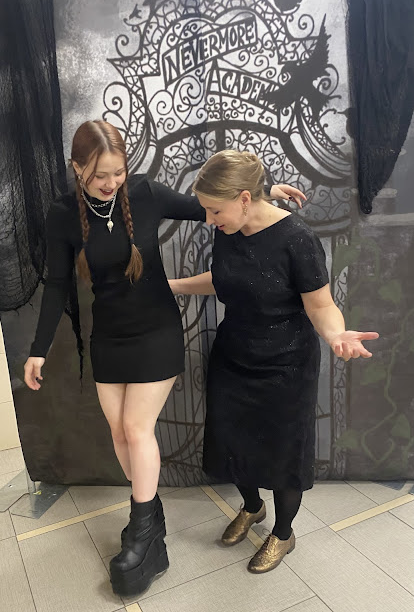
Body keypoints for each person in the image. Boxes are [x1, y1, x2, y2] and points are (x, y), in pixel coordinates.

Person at [23, 121, 304, 596]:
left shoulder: (145, 193)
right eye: (99, 176)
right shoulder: (62, 214)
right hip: (109, 337)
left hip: (156, 330)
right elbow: (56, 284)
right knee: (119, 432)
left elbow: (206, 206)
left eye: (117, 172)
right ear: (77, 168)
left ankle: (142, 531)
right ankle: (150, 524)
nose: (110, 183)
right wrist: (38, 350)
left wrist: (263, 191)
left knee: (136, 429)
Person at [169, 149, 379, 574]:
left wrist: (335, 334)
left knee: (283, 455)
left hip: (286, 365)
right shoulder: (228, 227)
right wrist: (174, 285)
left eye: (214, 210)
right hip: (233, 355)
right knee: (232, 441)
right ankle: (252, 507)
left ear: (245, 198)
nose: (208, 219)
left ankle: (283, 534)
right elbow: (227, 279)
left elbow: (321, 305)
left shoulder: (297, 239)